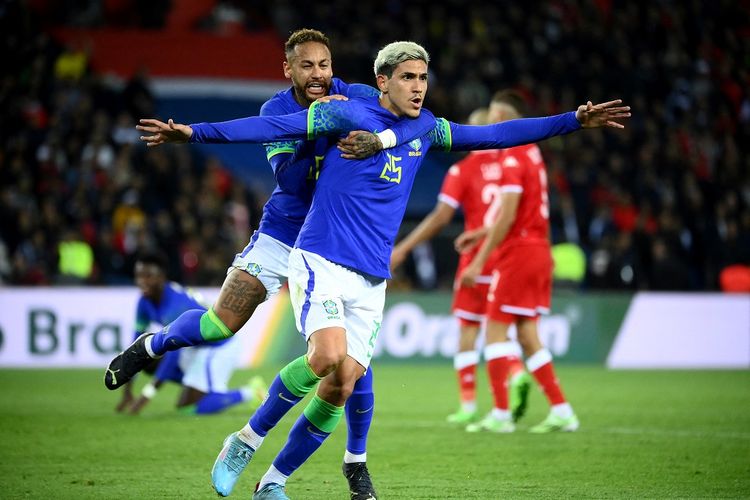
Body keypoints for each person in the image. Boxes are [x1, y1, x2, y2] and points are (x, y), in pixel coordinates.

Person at [135, 39, 628, 498]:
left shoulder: (426, 128)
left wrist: (572, 121)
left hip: (371, 278)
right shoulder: (345, 113)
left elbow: (497, 134)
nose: (418, 87)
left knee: (342, 383)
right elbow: (270, 127)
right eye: (408, 77)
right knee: (326, 355)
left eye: (423, 78)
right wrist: (194, 132)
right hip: (321, 257)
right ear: (382, 80)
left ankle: (273, 481)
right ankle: (245, 438)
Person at [105, 29, 436, 500]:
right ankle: (153, 344)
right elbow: (290, 178)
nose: (318, 75)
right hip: (285, 232)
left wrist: (379, 137)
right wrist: (318, 129)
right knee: (221, 325)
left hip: (337, 241)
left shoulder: (357, 96)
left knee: (350, 368)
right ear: (289, 70)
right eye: (307, 66)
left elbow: (412, 123)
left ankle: (351, 464)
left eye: (324, 65)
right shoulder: (277, 111)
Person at [390, 103, 532, 429]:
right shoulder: (512, 165)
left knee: (468, 332)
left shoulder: (463, 170)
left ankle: (468, 405)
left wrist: (406, 247)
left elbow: (442, 216)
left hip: (475, 259)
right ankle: (515, 370)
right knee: (500, 332)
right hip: (508, 258)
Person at [458, 90, 580, 433]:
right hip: (539, 248)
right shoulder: (533, 152)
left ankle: (500, 415)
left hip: (519, 253)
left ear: (509, 121)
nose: (492, 124)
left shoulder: (512, 155)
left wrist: (479, 260)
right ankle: (562, 410)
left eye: (497, 118)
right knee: (527, 334)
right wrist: (482, 233)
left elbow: (509, 215)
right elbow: (519, 213)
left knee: (494, 330)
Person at [116, 250, 267, 416]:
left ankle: (251, 392)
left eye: (148, 276)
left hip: (219, 346)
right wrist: (127, 391)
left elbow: (173, 355)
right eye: (139, 276)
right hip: (196, 348)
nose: (142, 281)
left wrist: (146, 395)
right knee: (148, 360)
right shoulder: (144, 302)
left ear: (161, 277)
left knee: (188, 408)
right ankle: (198, 388)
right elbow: (135, 347)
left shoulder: (175, 306)